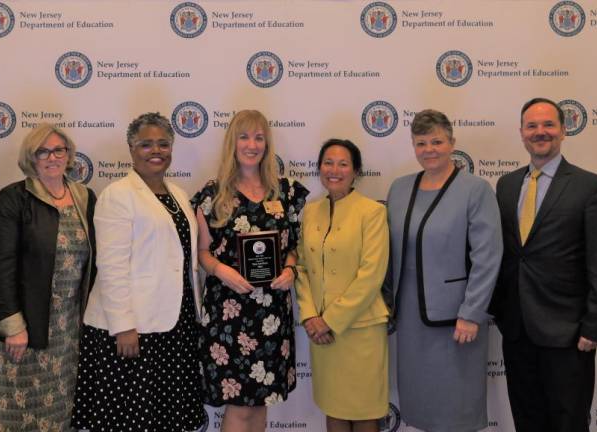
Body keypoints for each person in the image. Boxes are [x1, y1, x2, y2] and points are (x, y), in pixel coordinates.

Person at [489, 98, 597, 432]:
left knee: (568, 422)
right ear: (521, 133)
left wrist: (596, 326)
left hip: (569, 333)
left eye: (548, 125)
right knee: (527, 419)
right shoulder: (506, 185)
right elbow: (507, 254)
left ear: (563, 130)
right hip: (517, 331)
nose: (540, 132)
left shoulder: (591, 187)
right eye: (531, 126)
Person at [72, 113, 206, 432]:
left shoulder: (179, 194)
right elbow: (111, 266)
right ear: (131, 149)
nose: (155, 150)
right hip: (133, 328)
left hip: (175, 321)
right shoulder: (117, 195)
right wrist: (123, 327)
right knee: (130, 419)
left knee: (166, 417)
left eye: (163, 143)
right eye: (145, 144)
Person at [384, 109, 502, 432]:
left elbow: (488, 256)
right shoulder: (399, 188)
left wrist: (472, 312)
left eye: (436, 141)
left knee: (455, 409)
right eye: (421, 143)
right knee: (420, 406)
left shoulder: (475, 189)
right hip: (408, 321)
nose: (429, 149)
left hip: (457, 322)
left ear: (452, 143)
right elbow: (389, 253)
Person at [192, 109, 309, 431]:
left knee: (260, 403)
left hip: (271, 314)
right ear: (233, 142)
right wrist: (221, 271)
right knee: (240, 406)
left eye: (259, 137)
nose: (252, 144)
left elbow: (295, 247)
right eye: (244, 136)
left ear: (267, 144)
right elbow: (202, 251)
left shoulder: (285, 191)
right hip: (229, 312)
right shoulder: (213, 193)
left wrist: (290, 269)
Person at [0, 123, 96, 431]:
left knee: (60, 414)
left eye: (58, 150)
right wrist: (13, 325)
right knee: (20, 417)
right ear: (31, 157)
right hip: (26, 327)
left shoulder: (84, 197)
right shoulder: (14, 197)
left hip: (69, 329)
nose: (52, 157)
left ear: (69, 154)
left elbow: (94, 263)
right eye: (43, 151)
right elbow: (1, 263)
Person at [296, 139, 390, 432]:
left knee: (364, 413)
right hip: (320, 333)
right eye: (328, 162)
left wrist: (330, 321)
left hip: (359, 331)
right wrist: (311, 316)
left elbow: (371, 275)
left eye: (343, 163)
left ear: (356, 171)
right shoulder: (310, 211)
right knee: (333, 407)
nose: (334, 170)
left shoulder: (372, 212)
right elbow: (300, 267)